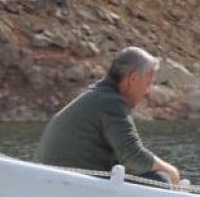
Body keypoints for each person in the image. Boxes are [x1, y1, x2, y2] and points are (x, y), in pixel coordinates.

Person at [36, 46, 183, 186]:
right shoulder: (111, 102)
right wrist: (172, 172)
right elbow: (133, 156)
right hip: (71, 184)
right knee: (160, 180)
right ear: (133, 79)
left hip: (54, 180)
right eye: (148, 83)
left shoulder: (99, 95)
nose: (147, 92)